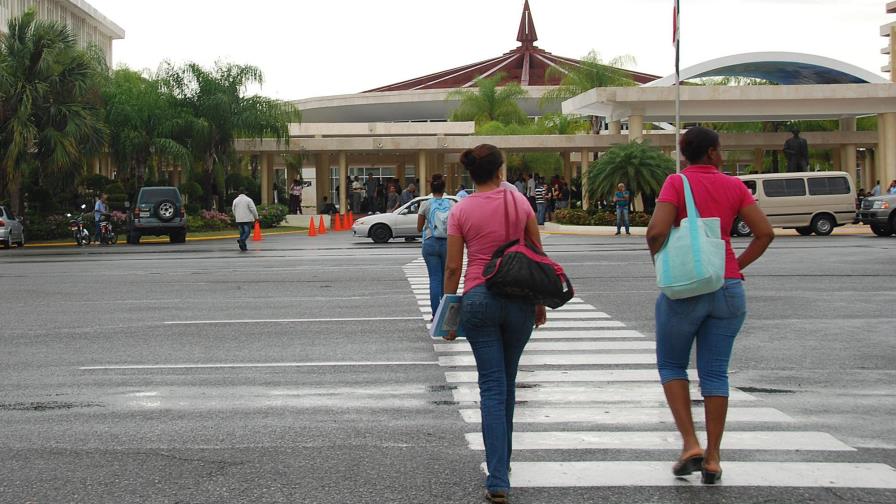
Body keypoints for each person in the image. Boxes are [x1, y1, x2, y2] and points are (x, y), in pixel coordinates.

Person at [646, 127, 774, 485]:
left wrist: (662, 261)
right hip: (728, 288)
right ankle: (714, 458)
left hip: (685, 289)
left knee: (672, 365)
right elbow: (765, 233)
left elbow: (656, 231)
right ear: (714, 153)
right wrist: (733, 266)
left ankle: (690, 444)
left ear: (685, 154)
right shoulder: (734, 186)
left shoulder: (676, 183)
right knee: (715, 373)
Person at [443, 144, 546, 503]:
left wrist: (449, 314)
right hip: (519, 297)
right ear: (500, 169)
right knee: (508, 383)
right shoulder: (519, 201)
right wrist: (538, 300)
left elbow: (454, 267)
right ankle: (503, 465)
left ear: (470, 173)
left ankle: (498, 477)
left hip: (479, 299)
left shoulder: (462, 209)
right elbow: (536, 249)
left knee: (491, 386)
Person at [417, 174, 456, 316]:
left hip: (430, 243)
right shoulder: (451, 204)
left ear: (431, 188)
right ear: (444, 188)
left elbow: (419, 227)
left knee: (434, 278)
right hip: (447, 243)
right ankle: (446, 314)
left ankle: (436, 313)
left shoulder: (425, 204)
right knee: (446, 279)